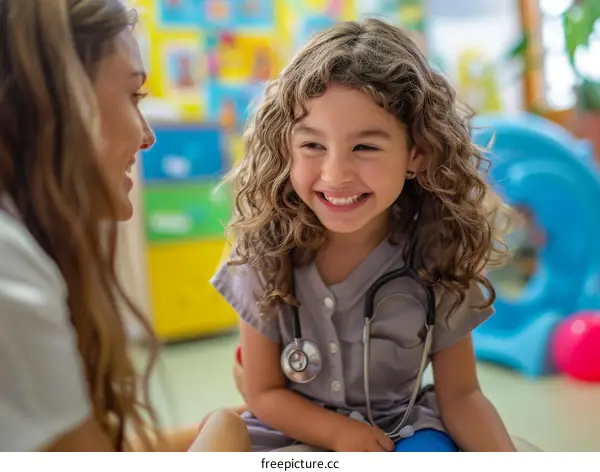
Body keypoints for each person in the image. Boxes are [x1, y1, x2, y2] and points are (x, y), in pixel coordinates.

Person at [210, 18, 517, 452]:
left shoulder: (438, 252)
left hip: (403, 433)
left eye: (366, 147)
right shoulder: (264, 251)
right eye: (313, 145)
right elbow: (263, 392)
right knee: (222, 437)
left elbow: (461, 396)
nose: (336, 175)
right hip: (292, 436)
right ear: (286, 148)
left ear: (417, 154)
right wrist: (338, 435)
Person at [0, 0, 249, 452]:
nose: (147, 135)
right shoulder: (9, 272)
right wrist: (225, 435)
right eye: (133, 96)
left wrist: (239, 421)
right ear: (58, 100)